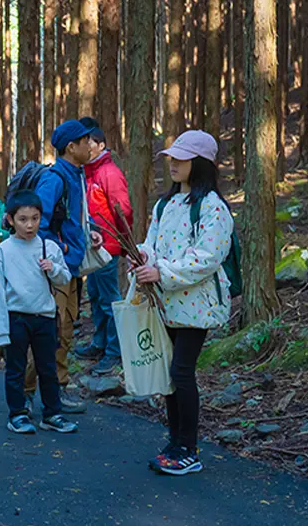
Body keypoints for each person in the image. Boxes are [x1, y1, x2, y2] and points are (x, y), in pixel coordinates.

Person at [133, 130, 233, 476]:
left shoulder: (213, 208)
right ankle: (175, 442)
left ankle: (188, 448)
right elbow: (152, 243)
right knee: (170, 375)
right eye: (172, 158)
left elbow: (207, 257)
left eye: (181, 158)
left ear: (200, 163)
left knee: (181, 372)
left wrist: (160, 272)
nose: (173, 164)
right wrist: (142, 258)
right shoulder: (166, 204)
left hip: (196, 307)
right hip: (166, 304)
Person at [27, 119, 102, 414]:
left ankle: (56, 390)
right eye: (86, 141)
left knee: (65, 330)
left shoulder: (77, 175)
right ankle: (25, 393)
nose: (91, 145)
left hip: (71, 269)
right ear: (71, 147)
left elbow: (73, 217)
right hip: (55, 270)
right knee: (49, 333)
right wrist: (57, 251)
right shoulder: (55, 178)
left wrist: (89, 231)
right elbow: (36, 223)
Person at [0, 191, 78, 435]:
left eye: (35, 218)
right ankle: (17, 413)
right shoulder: (3, 251)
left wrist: (53, 269)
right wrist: (0, 333)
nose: (29, 225)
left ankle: (52, 413)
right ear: (10, 219)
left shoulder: (48, 247)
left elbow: (65, 277)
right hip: (16, 317)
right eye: (23, 219)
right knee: (15, 369)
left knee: (47, 367)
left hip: (44, 317)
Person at [74, 117, 133, 375]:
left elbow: (124, 210)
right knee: (96, 295)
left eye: (88, 144)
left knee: (110, 299)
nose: (85, 149)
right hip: (93, 246)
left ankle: (114, 351)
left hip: (107, 246)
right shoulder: (90, 173)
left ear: (99, 145)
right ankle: (99, 343)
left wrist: (122, 241)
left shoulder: (109, 173)